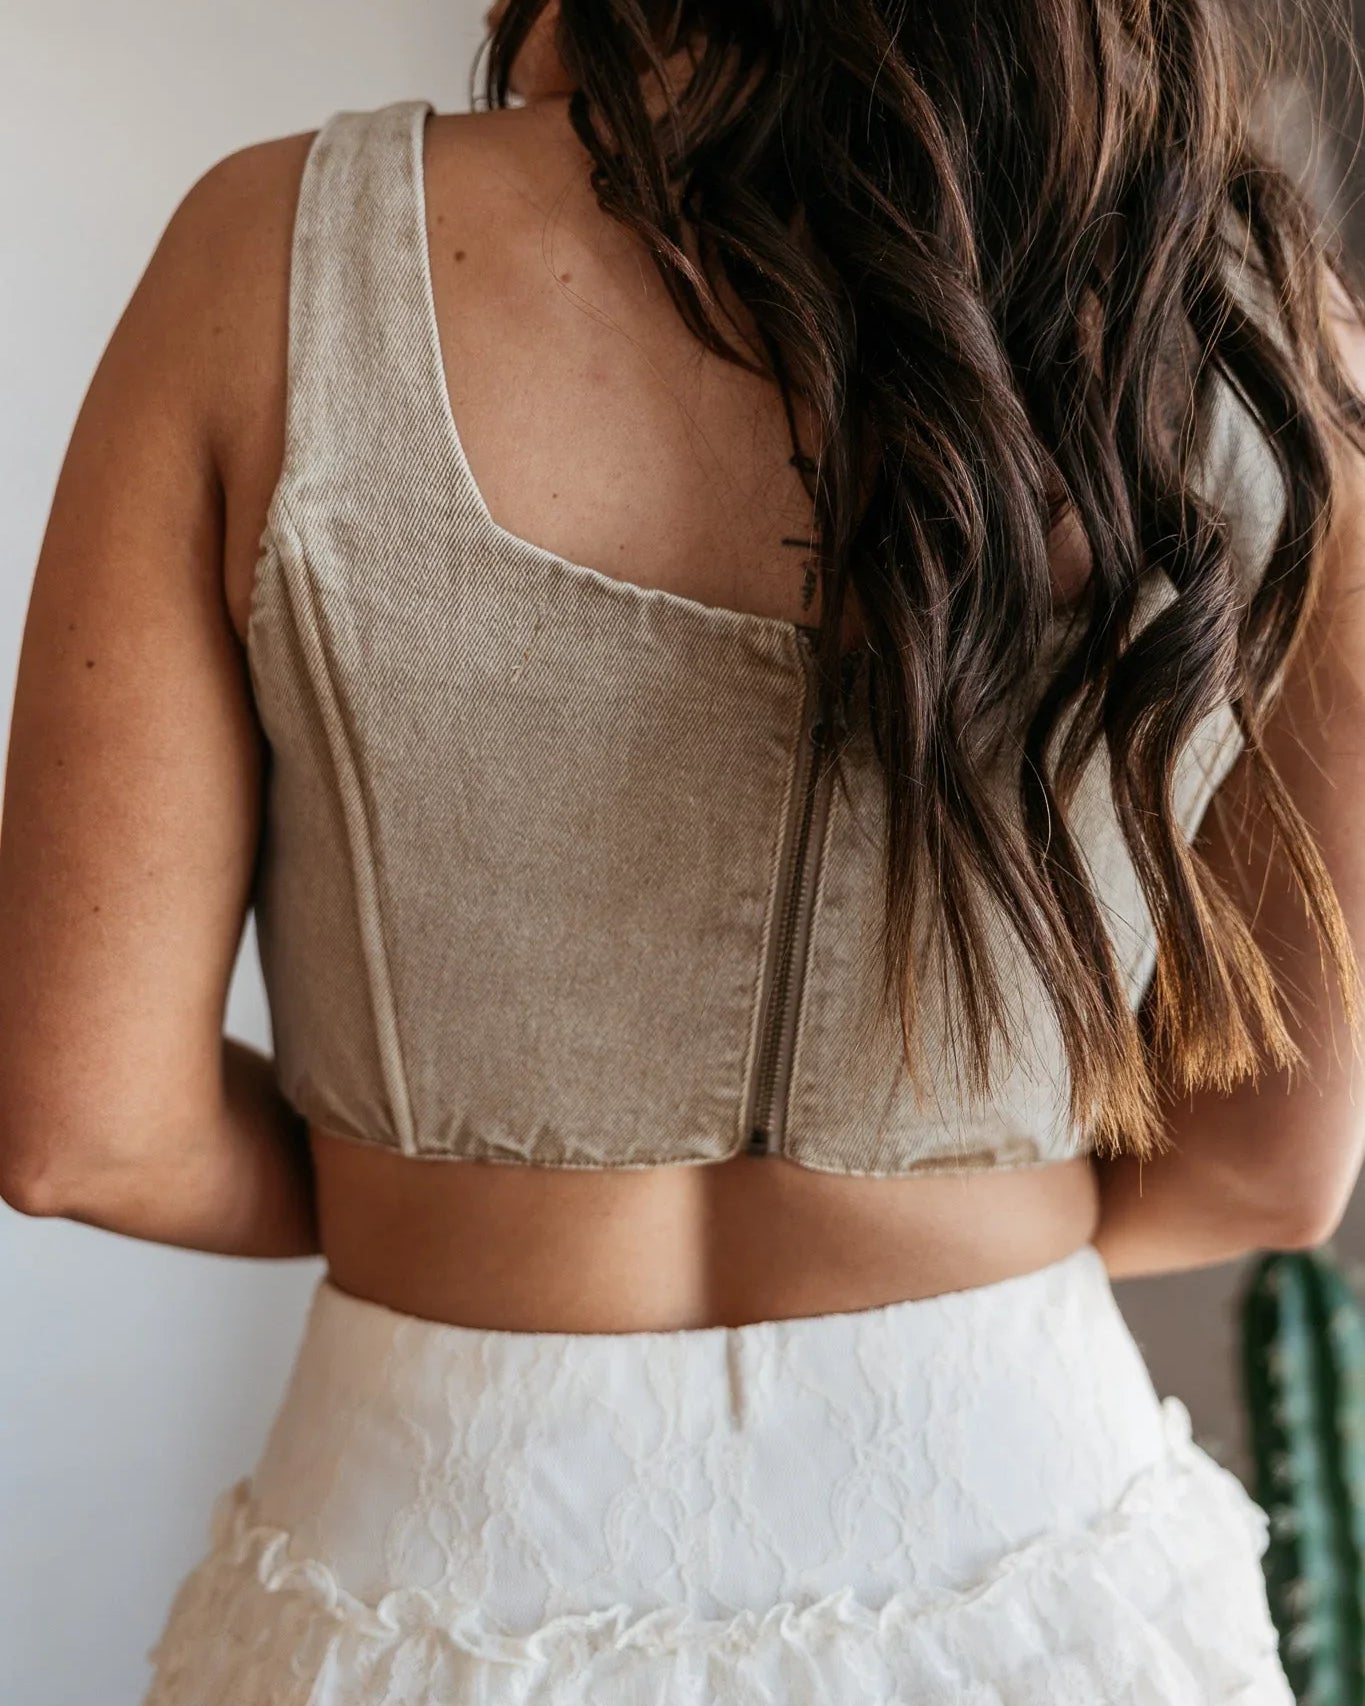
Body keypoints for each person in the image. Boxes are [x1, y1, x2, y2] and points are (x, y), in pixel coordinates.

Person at [3, 0, 1365, 1698]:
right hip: (1033, 1559)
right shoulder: (1249, 330)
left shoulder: (273, 259)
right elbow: (1271, 1169)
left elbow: (86, 1129)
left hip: (437, 1555)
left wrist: (430, 1206)